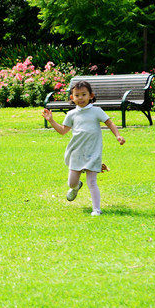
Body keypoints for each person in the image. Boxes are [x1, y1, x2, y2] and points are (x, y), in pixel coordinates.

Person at [42, 80, 125, 216]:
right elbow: (63, 131)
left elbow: (109, 123)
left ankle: (96, 209)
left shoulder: (97, 111)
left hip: (93, 152)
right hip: (76, 153)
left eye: (84, 94)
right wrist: (51, 120)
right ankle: (76, 187)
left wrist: (118, 136)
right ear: (72, 98)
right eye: (77, 95)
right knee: (71, 183)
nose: (80, 98)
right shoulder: (71, 114)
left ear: (91, 96)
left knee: (92, 182)